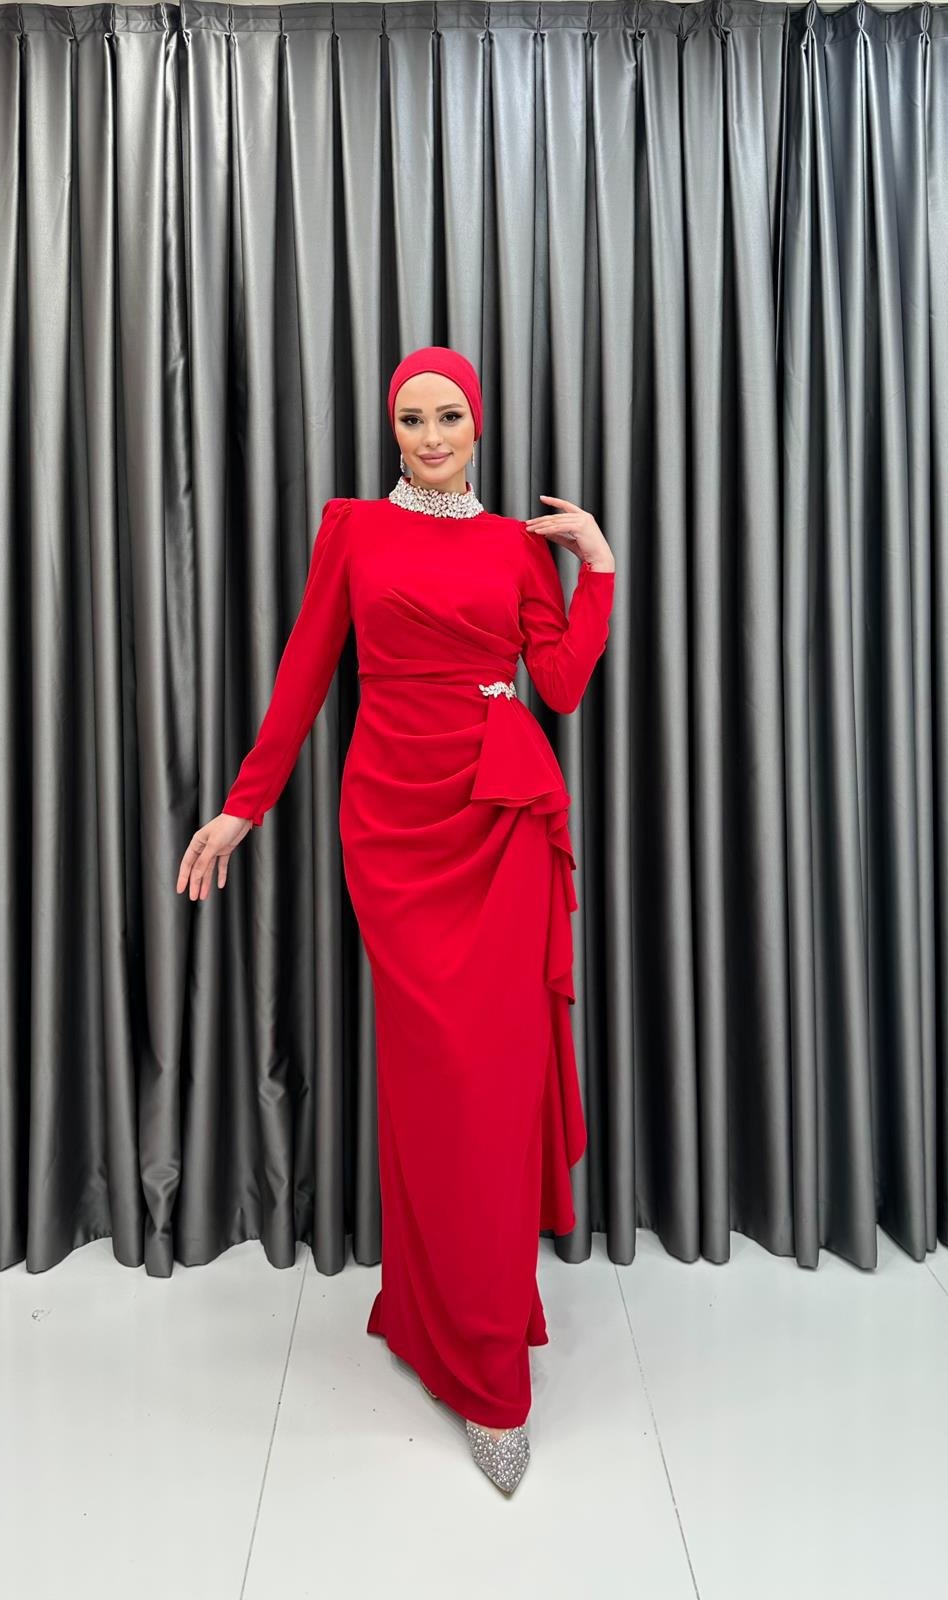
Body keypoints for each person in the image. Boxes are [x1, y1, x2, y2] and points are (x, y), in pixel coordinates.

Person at [176, 346, 616, 1495]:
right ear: (392, 427)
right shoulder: (354, 531)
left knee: (492, 1088)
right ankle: (432, 1315)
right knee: (433, 1090)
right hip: (396, 830)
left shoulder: (516, 544)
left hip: (499, 818)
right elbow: (304, 675)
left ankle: (490, 1366)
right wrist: (242, 806)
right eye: (412, 418)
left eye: (449, 416)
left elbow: (560, 684)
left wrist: (597, 568)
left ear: (479, 424)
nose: (430, 436)